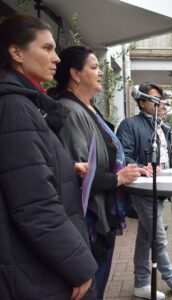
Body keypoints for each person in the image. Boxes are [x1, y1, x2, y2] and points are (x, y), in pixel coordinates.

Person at [0, 15, 97, 299]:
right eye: (46, 48)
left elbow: (22, 173)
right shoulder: (16, 107)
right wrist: (80, 266)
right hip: (38, 271)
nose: (56, 58)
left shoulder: (24, 104)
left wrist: (64, 168)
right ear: (16, 52)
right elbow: (34, 205)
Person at [48, 46, 145, 299]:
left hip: (104, 213)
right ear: (75, 74)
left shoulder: (88, 107)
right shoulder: (69, 111)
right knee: (91, 290)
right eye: (94, 67)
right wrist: (118, 178)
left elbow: (106, 155)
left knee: (98, 287)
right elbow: (80, 171)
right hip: (89, 221)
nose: (101, 72)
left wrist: (131, 170)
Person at [117, 83, 172, 299]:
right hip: (143, 190)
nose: (160, 104)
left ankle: (141, 283)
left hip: (160, 189)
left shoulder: (161, 125)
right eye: (154, 99)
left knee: (145, 236)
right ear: (141, 102)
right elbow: (124, 155)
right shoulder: (129, 124)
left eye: (161, 100)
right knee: (159, 238)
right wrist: (141, 167)